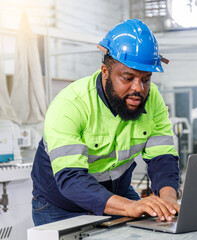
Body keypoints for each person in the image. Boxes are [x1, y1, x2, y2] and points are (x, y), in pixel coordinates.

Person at [31, 19, 180, 226]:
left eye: (146, 79)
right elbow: (71, 178)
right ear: (105, 72)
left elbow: (162, 157)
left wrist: (168, 200)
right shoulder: (70, 105)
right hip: (62, 205)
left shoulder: (152, 99)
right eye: (128, 78)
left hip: (116, 193)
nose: (138, 88)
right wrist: (129, 206)